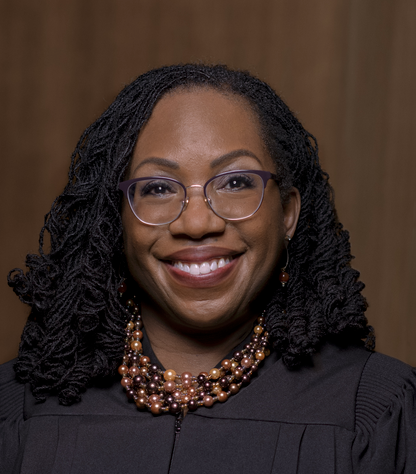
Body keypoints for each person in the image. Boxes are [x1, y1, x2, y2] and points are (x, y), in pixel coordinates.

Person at [1, 64, 415, 474]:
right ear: (116, 221)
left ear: (288, 213)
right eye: (157, 188)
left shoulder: (374, 412)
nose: (197, 224)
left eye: (235, 182)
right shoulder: (19, 410)